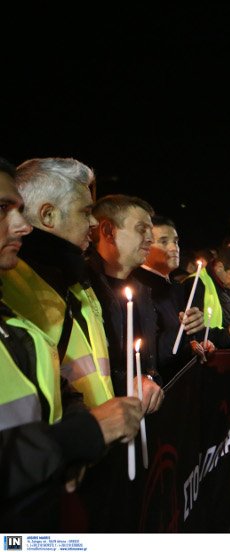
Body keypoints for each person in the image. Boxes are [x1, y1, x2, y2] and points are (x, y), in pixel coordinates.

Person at [0, 158, 142, 531]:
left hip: (70, 482)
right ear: (49, 215)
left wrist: (84, 425)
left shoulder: (77, 279)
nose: (21, 225)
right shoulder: (16, 285)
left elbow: (54, 380)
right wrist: (77, 437)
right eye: (3, 209)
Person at [1, 158, 114, 408]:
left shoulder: (77, 277)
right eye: (85, 212)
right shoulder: (10, 284)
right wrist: (87, 425)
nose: (94, 222)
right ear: (48, 215)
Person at [86, 195, 165, 413]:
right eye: (141, 229)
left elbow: (152, 356)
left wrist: (188, 337)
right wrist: (129, 383)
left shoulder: (145, 290)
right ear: (108, 231)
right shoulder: (82, 288)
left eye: (151, 230)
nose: (150, 239)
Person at [130, 215, 205, 384]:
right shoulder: (138, 288)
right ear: (145, 245)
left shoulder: (177, 287)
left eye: (176, 242)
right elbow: (150, 353)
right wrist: (183, 329)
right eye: (163, 242)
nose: (173, 248)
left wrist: (197, 340)